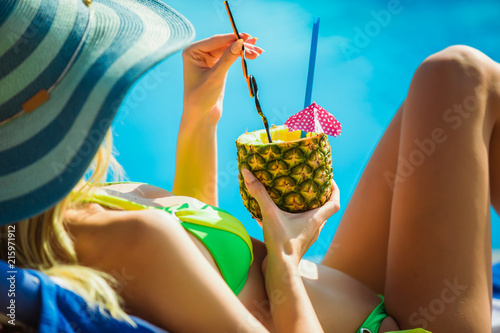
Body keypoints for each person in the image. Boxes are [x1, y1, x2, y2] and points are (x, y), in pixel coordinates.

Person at [0, 1, 498, 333]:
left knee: (456, 79)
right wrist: (285, 257)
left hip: (340, 289)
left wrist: (200, 111)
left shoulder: (77, 212)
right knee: (461, 75)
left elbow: (202, 258)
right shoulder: (130, 238)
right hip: (386, 327)